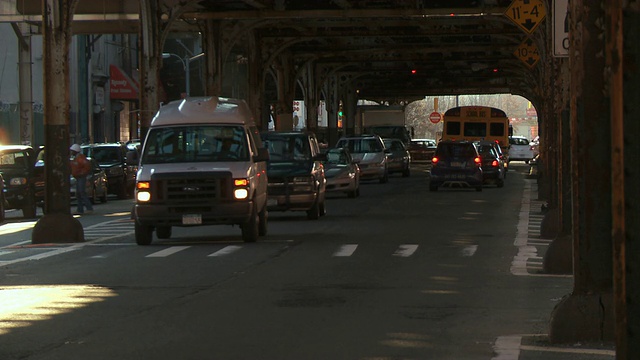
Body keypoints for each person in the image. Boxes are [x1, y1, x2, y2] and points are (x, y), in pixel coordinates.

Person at [69, 144, 93, 215]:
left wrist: (81, 173)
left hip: (81, 177)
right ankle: (80, 209)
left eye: (72, 151)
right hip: (78, 177)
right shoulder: (76, 158)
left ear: (75, 151)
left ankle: (89, 208)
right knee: (79, 194)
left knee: (81, 193)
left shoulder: (81, 159)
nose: (71, 152)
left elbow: (87, 167)